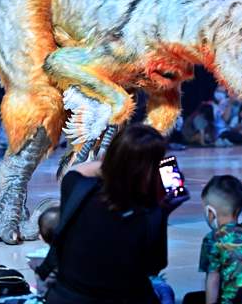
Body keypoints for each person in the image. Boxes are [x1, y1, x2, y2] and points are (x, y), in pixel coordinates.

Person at [46, 124, 188, 303]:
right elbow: (153, 266)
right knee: (164, 290)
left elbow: (77, 171)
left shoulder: (76, 187)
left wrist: (114, 164)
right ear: (146, 173)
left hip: (66, 297)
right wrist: (163, 212)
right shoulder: (148, 215)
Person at [184, 175, 242, 304]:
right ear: (239, 208)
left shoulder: (212, 239)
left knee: (190, 299)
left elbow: (213, 280)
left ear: (210, 213)